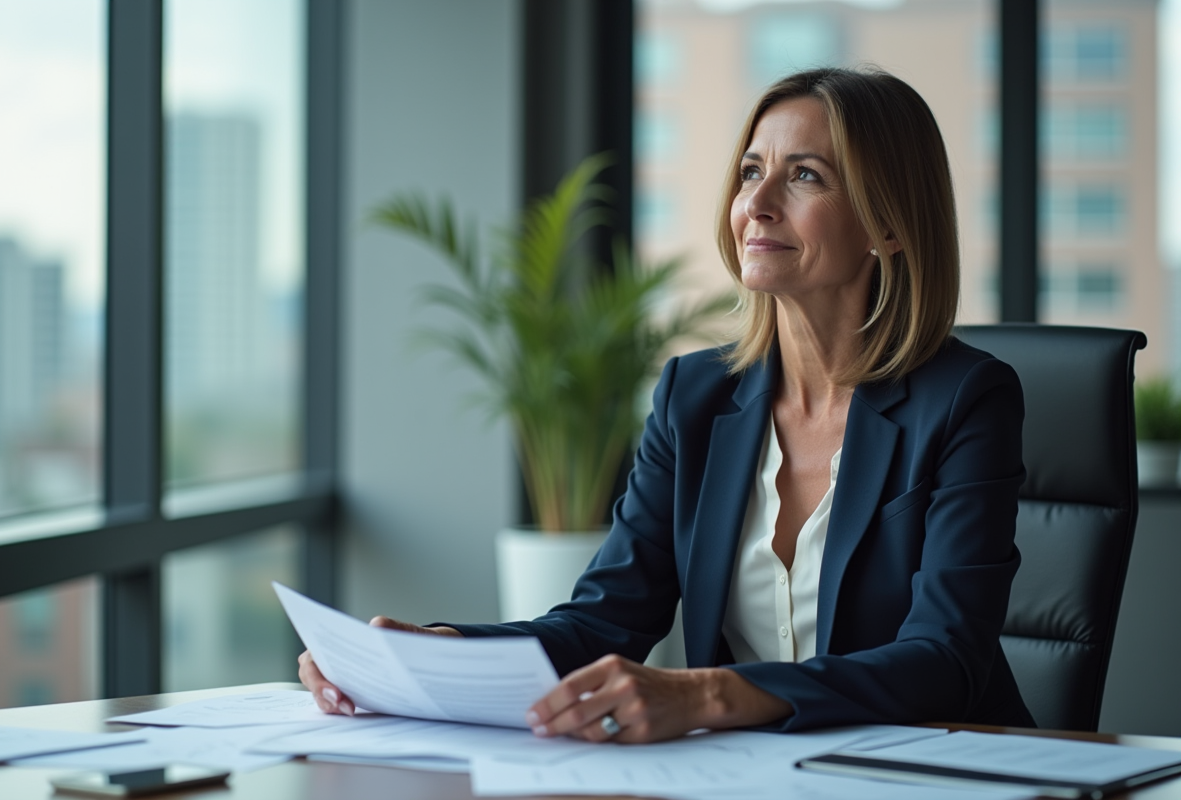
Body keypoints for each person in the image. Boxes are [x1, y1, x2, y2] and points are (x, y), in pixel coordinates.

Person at [300, 66, 1036, 742]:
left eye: (804, 176)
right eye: (752, 172)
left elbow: (945, 660)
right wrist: (436, 652)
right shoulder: (695, 397)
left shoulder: (967, 400)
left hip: (937, 771)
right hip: (756, 778)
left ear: (890, 225)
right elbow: (604, 620)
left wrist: (709, 695)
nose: (757, 203)